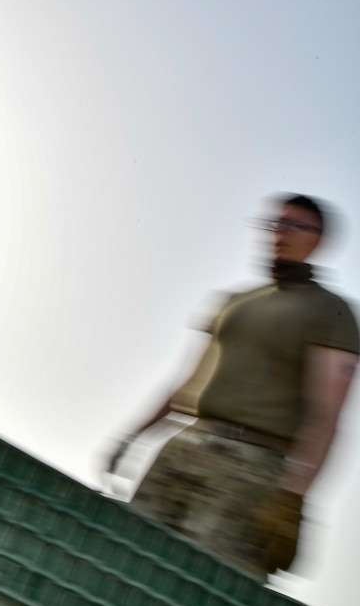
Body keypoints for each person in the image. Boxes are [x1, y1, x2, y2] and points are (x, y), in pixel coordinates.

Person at [107, 194, 359, 580]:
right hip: (185, 448)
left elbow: (325, 416)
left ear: (319, 239)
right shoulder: (234, 300)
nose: (280, 233)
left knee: (207, 587)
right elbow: (188, 382)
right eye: (275, 224)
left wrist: (292, 500)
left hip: (253, 469)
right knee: (130, 568)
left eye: (295, 225)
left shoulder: (332, 310)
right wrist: (132, 436)